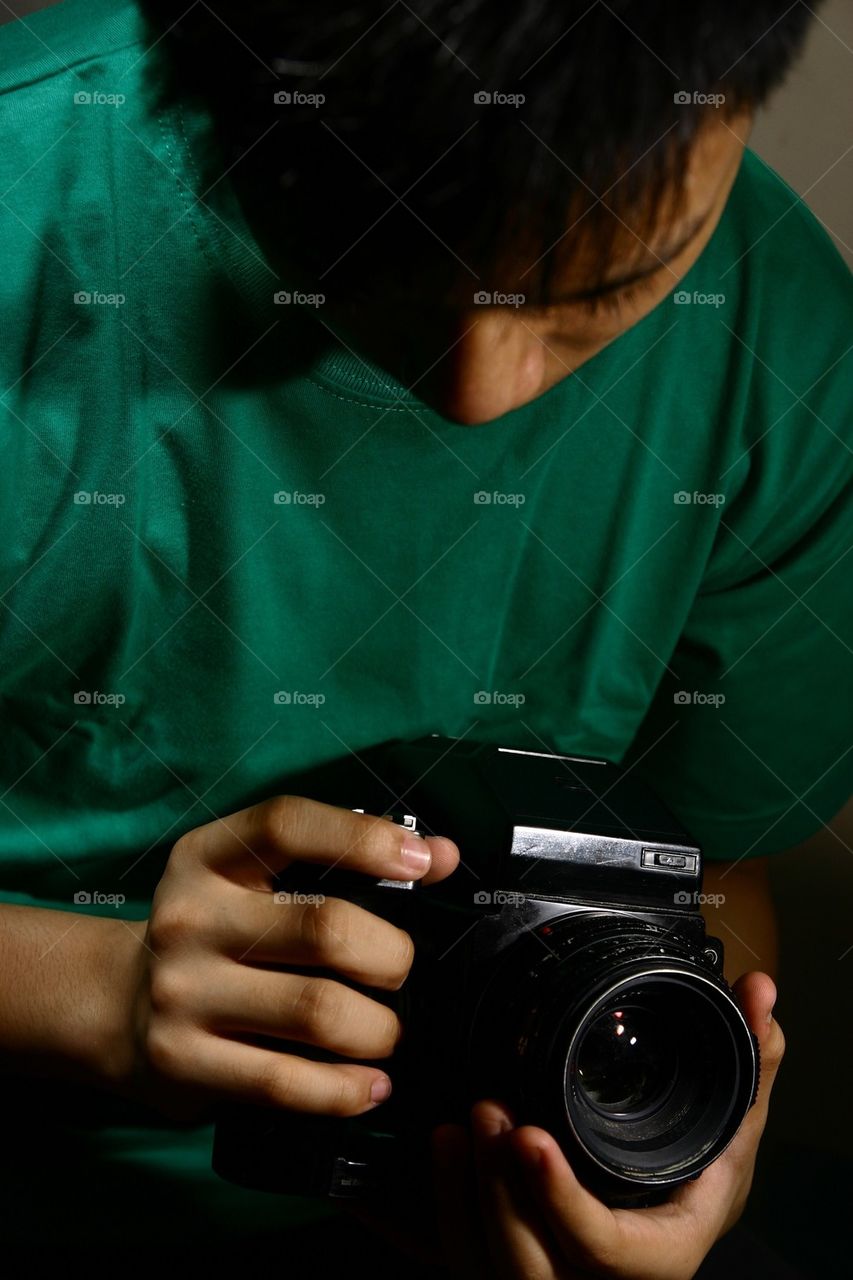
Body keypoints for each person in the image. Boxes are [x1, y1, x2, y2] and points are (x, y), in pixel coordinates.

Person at [0, 0, 849, 1274]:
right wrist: (94, 991)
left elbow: (710, 870)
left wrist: (663, 1153)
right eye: (383, 255)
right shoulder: (28, 211)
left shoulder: (790, 358)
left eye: (602, 286)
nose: (482, 388)